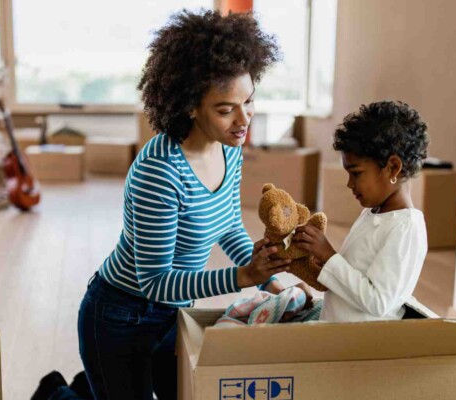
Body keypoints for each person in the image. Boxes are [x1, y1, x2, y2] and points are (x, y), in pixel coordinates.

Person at [77, 9, 287, 400]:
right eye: (225, 110)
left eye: (249, 101)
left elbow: (226, 225)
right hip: (122, 316)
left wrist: (273, 282)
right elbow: (155, 282)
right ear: (190, 105)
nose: (244, 120)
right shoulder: (160, 171)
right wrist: (242, 277)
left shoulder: (229, 149)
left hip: (178, 312)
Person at [293, 101, 429, 322]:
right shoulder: (374, 212)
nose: (349, 183)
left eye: (356, 173)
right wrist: (320, 262)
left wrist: (329, 257)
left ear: (393, 168)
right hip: (338, 332)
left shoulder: (406, 228)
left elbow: (378, 302)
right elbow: (356, 276)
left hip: (360, 345)